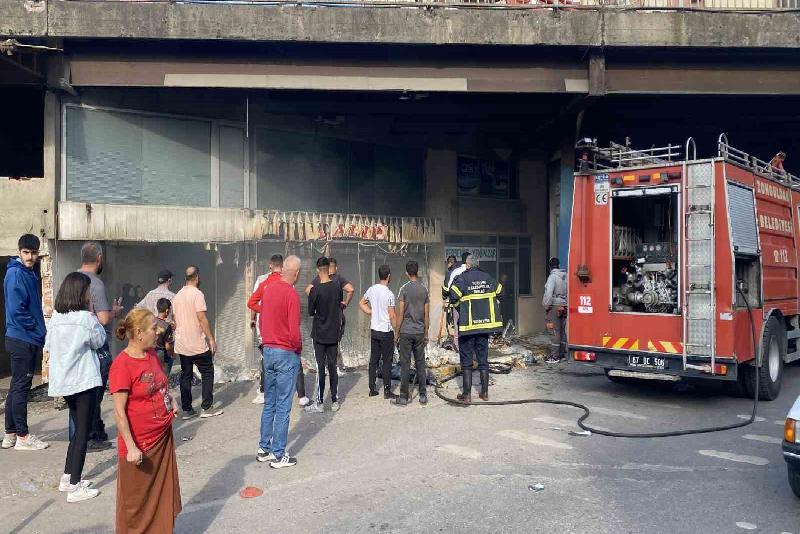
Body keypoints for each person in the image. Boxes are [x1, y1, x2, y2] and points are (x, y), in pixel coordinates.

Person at [110, 308, 181, 532]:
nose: (158, 331)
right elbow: (119, 412)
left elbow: (160, 384)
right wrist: (131, 447)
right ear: (139, 333)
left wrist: (171, 399)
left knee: (160, 499)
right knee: (136, 505)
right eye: (153, 328)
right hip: (139, 445)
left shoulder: (151, 355)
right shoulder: (122, 365)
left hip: (161, 438)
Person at [45, 272, 106, 502]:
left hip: (65, 383)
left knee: (76, 428)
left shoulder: (56, 318)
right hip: (84, 381)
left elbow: (49, 345)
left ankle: (67, 475)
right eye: (88, 292)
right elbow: (99, 340)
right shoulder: (86, 319)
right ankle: (74, 486)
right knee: (83, 431)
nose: (90, 295)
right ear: (81, 293)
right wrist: (91, 314)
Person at [2, 234, 48, 451]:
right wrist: (38, 329)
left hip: (22, 337)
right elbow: (17, 311)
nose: (30, 257)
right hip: (23, 338)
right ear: (19, 252)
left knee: (15, 387)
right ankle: (23, 436)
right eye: (26, 253)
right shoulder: (16, 274)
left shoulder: (28, 272)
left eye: (34, 253)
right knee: (21, 388)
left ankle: (10, 434)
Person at [256, 255, 303, 469]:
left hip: (269, 350)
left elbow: (263, 319)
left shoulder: (269, 289)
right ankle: (278, 454)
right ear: (297, 273)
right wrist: (297, 349)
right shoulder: (292, 294)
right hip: (285, 352)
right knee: (284, 405)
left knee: (270, 402)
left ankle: (264, 448)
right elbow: (294, 331)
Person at [77, 241, 123, 451]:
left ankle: (86, 435)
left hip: (76, 344)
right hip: (96, 346)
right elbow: (103, 319)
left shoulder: (72, 278)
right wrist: (115, 311)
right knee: (95, 392)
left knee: (82, 392)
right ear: (99, 259)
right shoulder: (95, 284)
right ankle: (91, 437)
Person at [249, 254, 310, 407]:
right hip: (284, 337)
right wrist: (298, 347)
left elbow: (251, 302)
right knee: (293, 365)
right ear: (283, 267)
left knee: (267, 363)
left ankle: (264, 392)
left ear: (270, 265)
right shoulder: (288, 285)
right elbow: (293, 321)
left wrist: (264, 311)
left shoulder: (263, 282)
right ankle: (301, 395)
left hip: (268, 334)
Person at [449, 254, 503, 403]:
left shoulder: (463, 278)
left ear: (467, 265)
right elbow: (500, 291)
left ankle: (466, 395)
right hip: (484, 328)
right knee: (483, 359)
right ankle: (484, 393)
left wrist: (461, 307)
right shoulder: (488, 277)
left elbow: (452, 296)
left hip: (467, 327)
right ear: (477, 265)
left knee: (466, 360)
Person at [172, 265, 223, 419]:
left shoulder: (177, 296)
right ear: (197, 278)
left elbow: (175, 320)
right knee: (207, 372)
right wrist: (211, 339)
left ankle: (187, 410)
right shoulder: (197, 294)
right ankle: (206, 407)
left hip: (182, 343)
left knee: (185, 375)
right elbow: (202, 318)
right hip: (197, 343)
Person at [305, 257, 354, 376]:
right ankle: (334, 366)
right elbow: (351, 289)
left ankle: (325, 368)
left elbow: (307, 290)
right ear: (334, 267)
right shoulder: (338, 279)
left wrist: (317, 302)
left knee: (321, 346)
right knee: (335, 342)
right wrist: (345, 303)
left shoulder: (318, 279)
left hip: (321, 319)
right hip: (336, 318)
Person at [305, 257, 342, 413]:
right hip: (333, 333)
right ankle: (334, 400)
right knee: (333, 366)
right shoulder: (337, 286)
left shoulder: (315, 289)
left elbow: (310, 312)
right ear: (329, 269)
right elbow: (339, 304)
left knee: (321, 368)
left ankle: (319, 402)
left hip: (320, 334)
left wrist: (310, 294)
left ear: (317, 270)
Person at [359, 265, 398, 400]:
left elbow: (362, 303)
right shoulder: (389, 294)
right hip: (386, 331)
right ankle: (387, 390)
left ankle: (372, 388)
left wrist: (371, 312)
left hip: (374, 329)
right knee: (387, 361)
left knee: (374, 359)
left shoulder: (372, 289)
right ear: (388, 276)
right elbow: (392, 315)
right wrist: (396, 331)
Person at [395, 260, 430, 406]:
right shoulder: (424, 290)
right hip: (419, 332)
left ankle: (403, 397)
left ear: (407, 273)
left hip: (406, 332)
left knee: (405, 364)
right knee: (420, 364)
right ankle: (422, 395)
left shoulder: (404, 289)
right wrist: (426, 332)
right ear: (418, 272)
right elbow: (426, 315)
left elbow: (401, 313)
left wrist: (396, 332)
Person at [441, 251, 470, 351]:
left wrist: (445, 297)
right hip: (469, 305)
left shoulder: (453, 273)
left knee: (457, 326)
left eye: (449, 262)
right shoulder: (470, 271)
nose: (448, 264)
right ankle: (468, 347)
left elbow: (446, 288)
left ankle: (458, 348)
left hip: (457, 304)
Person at [543, 257, 568, 363]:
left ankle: (554, 356)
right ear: (558, 265)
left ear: (550, 266)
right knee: (562, 331)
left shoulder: (552, 277)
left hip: (554, 306)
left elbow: (549, 293)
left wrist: (546, 306)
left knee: (554, 331)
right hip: (564, 306)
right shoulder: (565, 276)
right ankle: (562, 354)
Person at [155, 298, 175, 377]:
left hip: (152, 353)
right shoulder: (167, 326)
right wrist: (172, 355)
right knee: (163, 378)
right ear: (167, 310)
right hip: (162, 355)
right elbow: (167, 346)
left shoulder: (151, 321)